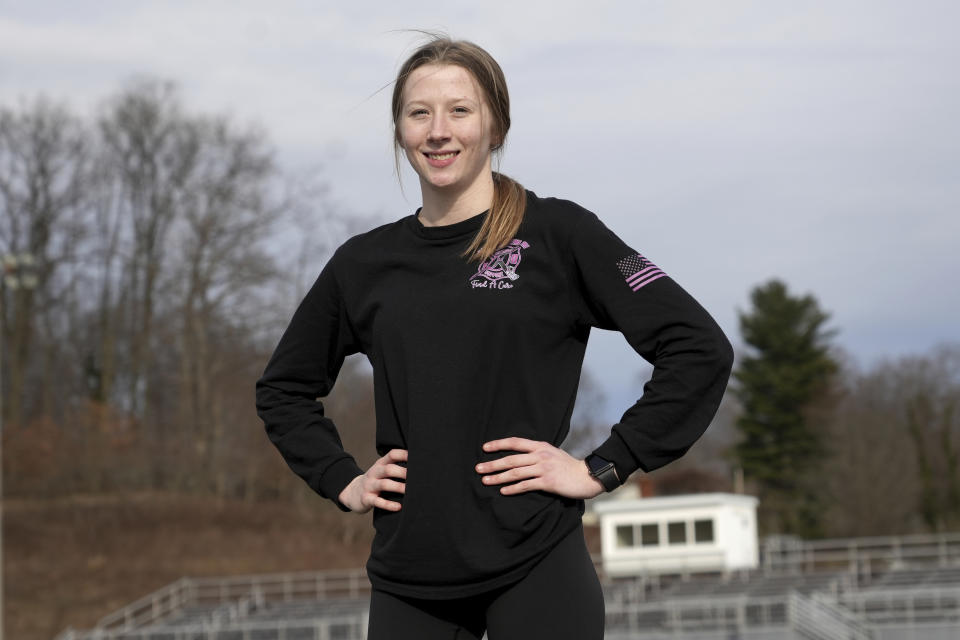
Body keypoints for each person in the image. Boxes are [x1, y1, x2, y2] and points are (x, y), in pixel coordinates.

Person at [255, 36, 734, 640]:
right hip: (410, 577)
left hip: (536, 563)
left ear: (495, 125)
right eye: (418, 112)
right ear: (400, 130)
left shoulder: (560, 234)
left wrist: (604, 466)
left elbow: (698, 348)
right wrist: (342, 478)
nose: (438, 130)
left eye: (460, 109)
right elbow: (283, 389)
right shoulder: (364, 264)